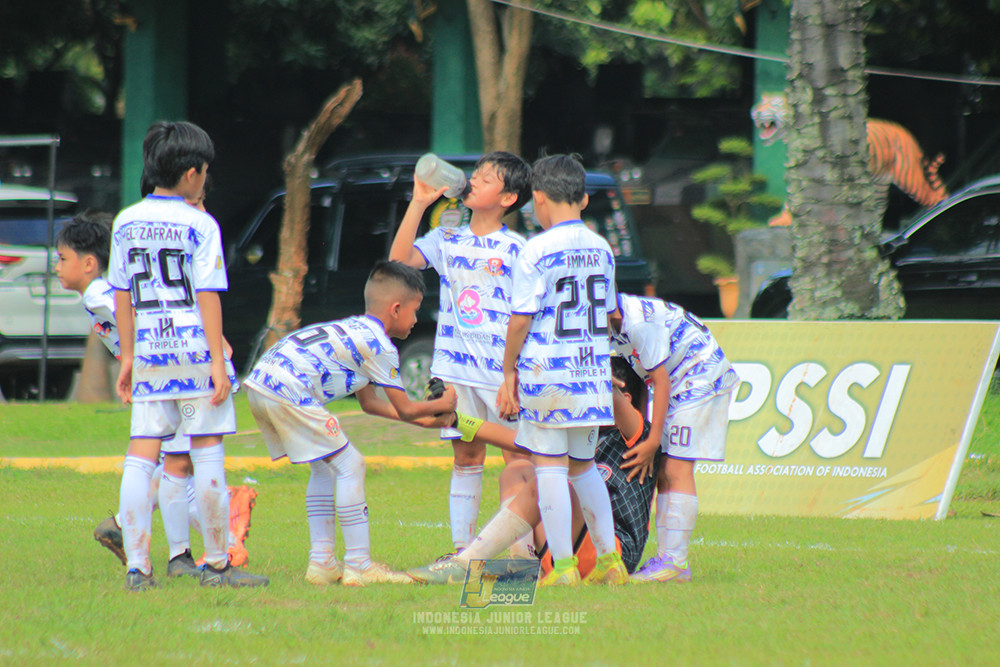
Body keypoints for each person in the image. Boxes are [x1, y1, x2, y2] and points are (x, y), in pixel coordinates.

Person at [108, 120, 267, 590]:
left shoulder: (126, 221)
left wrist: (127, 356)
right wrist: (217, 360)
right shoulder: (200, 224)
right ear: (194, 172)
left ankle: (138, 569)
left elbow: (122, 294)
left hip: (150, 353)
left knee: (141, 455)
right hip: (194, 352)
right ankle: (216, 565)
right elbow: (208, 293)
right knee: (207, 451)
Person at [243, 260, 458, 586]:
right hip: (289, 388)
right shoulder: (379, 346)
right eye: (414, 311)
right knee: (351, 465)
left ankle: (322, 563)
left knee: (326, 467)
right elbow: (406, 408)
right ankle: (359, 565)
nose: (416, 320)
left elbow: (371, 404)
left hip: (262, 384)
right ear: (396, 309)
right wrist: (444, 404)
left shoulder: (355, 330)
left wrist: (428, 421)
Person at [388, 151, 533, 557]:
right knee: (467, 455)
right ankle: (462, 553)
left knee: (518, 455)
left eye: (486, 179)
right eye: (476, 175)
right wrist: (419, 202)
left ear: (507, 198)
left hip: (501, 374)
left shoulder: (517, 249)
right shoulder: (447, 237)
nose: (473, 181)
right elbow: (399, 262)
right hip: (455, 369)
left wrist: (513, 375)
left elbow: (525, 317)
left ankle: (523, 554)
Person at [408, 356, 659, 583]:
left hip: (610, 549)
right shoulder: (577, 430)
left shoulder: (637, 437)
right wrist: (455, 420)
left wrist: (595, 376)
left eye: (582, 391)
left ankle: (465, 563)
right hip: (567, 547)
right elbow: (513, 440)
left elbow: (617, 402)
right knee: (517, 470)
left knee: (553, 481)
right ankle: (523, 562)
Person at [497, 153, 627, 587]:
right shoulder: (602, 247)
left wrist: (508, 370)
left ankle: (565, 567)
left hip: (548, 374)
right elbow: (610, 314)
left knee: (550, 467)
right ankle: (610, 562)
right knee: (583, 467)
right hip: (590, 374)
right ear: (583, 199)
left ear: (538, 197)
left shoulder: (536, 249)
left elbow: (520, 319)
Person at [609, 293, 739, 583]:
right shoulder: (612, 320)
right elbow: (641, 378)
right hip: (677, 380)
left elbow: (661, 380)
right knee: (664, 472)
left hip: (699, 377)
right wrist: (644, 433)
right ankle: (668, 560)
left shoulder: (639, 323)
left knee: (675, 469)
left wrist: (652, 441)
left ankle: (675, 563)